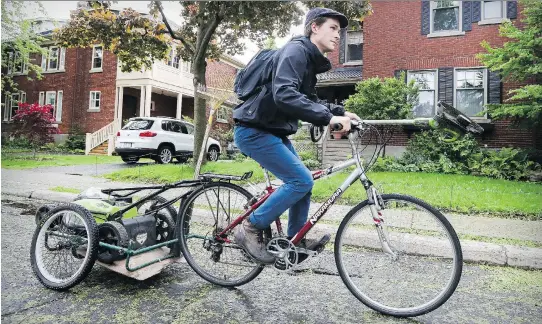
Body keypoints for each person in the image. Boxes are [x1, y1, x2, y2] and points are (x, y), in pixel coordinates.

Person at [232, 8, 361, 263]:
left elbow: (308, 100)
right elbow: (284, 94)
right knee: (301, 180)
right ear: (314, 27)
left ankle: (294, 241)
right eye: (333, 28)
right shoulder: (296, 51)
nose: (338, 36)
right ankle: (250, 228)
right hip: (254, 131)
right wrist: (329, 119)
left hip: (273, 131)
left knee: (304, 183)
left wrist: (341, 111)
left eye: (340, 31)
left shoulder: (307, 60)